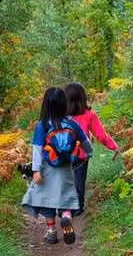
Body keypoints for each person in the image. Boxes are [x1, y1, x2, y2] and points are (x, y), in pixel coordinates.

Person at [21, 87, 93, 244]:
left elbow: (37, 149)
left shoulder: (42, 125)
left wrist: (35, 170)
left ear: (45, 105)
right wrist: (89, 153)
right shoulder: (71, 123)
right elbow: (85, 141)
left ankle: (51, 232)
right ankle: (66, 216)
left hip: (47, 168)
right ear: (64, 104)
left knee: (46, 200)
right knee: (64, 195)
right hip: (66, 167)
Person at [65, 82, 118, 213]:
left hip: (63, 154)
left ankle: (65, 208)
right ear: (83, 97)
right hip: (82, 154)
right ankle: (78, 207)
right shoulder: (89, 115)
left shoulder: (61, 115)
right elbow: (100, 135)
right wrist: (113, 145)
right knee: (79, 181)